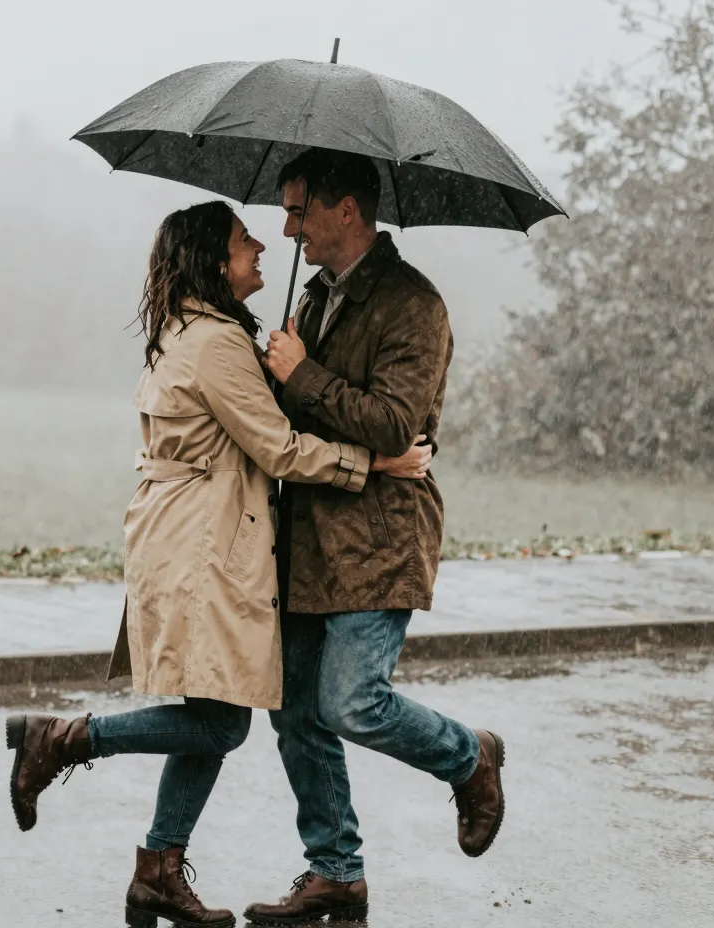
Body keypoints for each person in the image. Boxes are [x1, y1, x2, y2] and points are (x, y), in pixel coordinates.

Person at [4, 200, 431, 928]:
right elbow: (280, 450)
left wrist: (286, 371)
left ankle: (158, 871)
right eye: (242, 240)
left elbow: (253, 427)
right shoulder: (217, 343)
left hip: (186, 538)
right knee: (222, 724)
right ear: (212, 261)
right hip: (202, 547)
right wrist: (376, 463)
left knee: (210, 709)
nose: (261, 244)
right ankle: (66, 739)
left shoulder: (193, 330)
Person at [244, 148, 505, 926]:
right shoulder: (314, 298)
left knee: (352, 702)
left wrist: (300, 374)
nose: (288, 231)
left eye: (298, 212)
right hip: (306, 537)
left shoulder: (413, 305)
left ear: (346, 210)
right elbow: (298, 422)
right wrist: (268, 376)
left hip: (379, 539)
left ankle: (471, 757)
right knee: (294, 709)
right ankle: (336, 873)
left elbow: (394, 425)